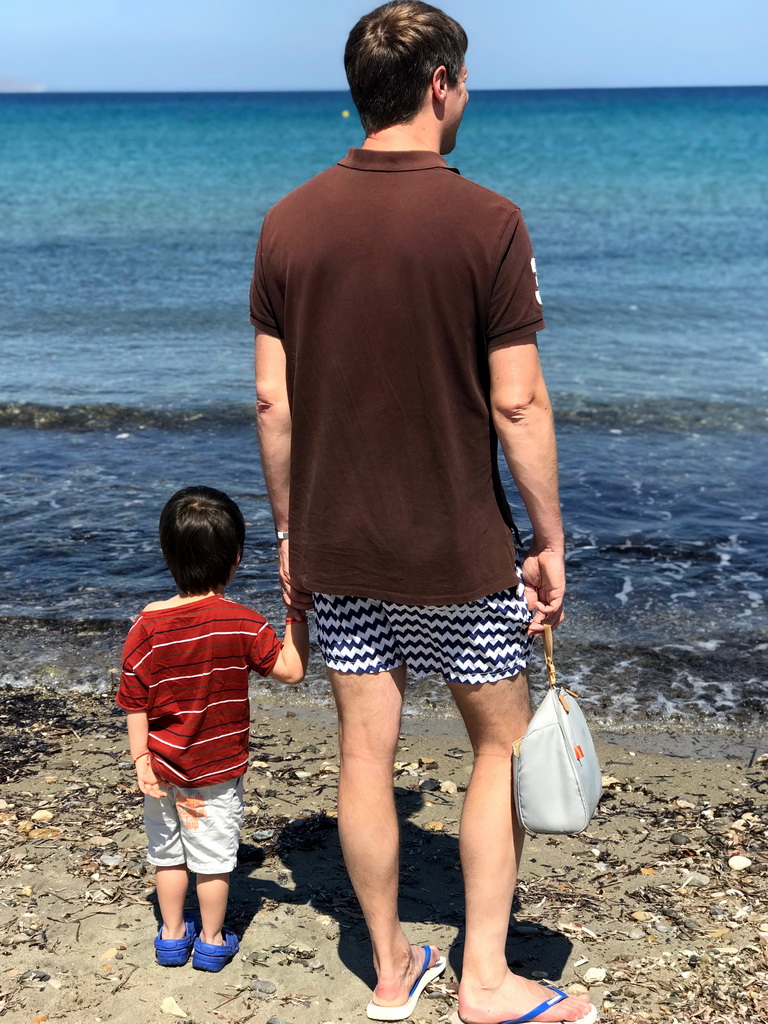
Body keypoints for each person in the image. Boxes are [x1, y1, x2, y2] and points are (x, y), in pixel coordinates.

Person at [251, 3, 595, 1022]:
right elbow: (520, 401)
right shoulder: (488, 220)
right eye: (467, 80)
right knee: (497, 745)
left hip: (338, 542)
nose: (468, 96)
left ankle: (392, 970)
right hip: (460, 548)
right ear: (440, 83)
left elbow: (275, 404)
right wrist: (549, 537)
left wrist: (287, 535)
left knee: (365, 749)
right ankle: (483, 981)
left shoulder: (288, 222)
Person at [117, 485, 309, 972]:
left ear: (167, 554)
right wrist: (297, 614)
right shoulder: (241, 622)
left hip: (158, 769)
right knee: (214, 859)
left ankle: (171, 935)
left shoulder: (145, 626)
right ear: (236, 559)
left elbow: (134, 701)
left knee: (168, 855)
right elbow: (291, 670)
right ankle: (210, 939)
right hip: (218, 768)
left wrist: (140, 758)